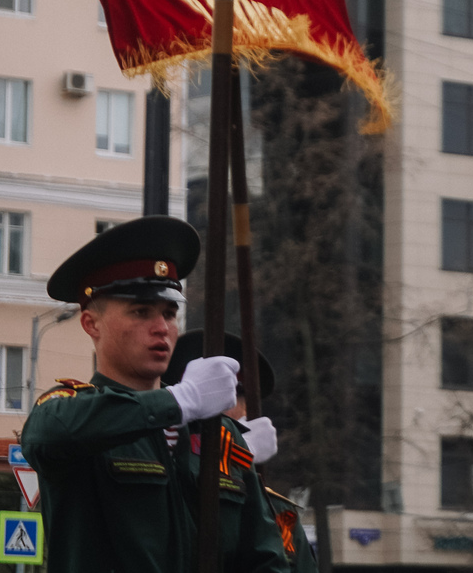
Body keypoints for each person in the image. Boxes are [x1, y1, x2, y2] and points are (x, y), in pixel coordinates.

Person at [20, 216, 287, 572]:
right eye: (141, 312)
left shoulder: (219, 436)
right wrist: (182, 401)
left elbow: (265, 558)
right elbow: (49, 433)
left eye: (169, 313)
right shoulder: (71, 409)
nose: (161, 327)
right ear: (91, 324)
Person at [166, 332, 313, 573]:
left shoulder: (280, 513)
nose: (229, 413)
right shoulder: (164, 469)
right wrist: (235, 456)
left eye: (233, 399)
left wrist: (238, 462)